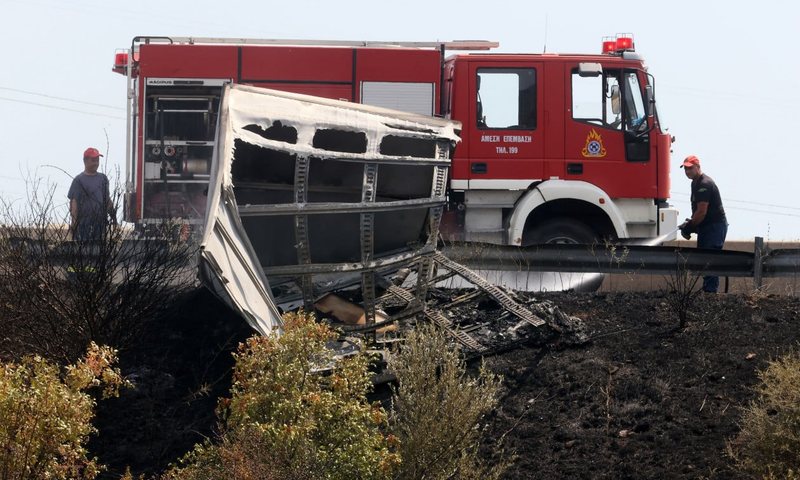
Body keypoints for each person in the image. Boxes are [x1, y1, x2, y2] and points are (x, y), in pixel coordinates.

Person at [679, 155, 728, 293]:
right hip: (706, 226)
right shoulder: (695, 183)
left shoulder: (704, 184)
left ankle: (710, 293)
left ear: (698, 167)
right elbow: (698, 212)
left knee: (709, 258)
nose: (687, 172)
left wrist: (690, 227)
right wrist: (691, 223)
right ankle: (708, 290)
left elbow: (701, 212)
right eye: (685, 169)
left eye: (690, 168)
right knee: (704, 258)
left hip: (714, 227)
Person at [68, 147, 116, 241]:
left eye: (97, 160)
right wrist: (74, 224)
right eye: (93, 160)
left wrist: (113, 216)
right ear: (85, 161)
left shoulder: (103, 178)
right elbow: (74, 204)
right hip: (83, 224)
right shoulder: (78, 180)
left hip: (100, 223)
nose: (96, 163)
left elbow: (106, 199)